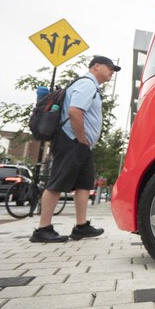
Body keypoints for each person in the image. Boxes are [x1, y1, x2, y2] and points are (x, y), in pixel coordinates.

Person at [31, 55, 120, 243]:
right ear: (96, 66)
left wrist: (85, 142)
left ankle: (81, 226)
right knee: (57, 183)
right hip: (71, 141)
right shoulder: (87, 84)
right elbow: (74, 111)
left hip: (80, 144)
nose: (112, 72)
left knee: (84, 184)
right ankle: (42, 229)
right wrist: (81, 139)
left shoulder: (92, 86)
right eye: (110, 67)